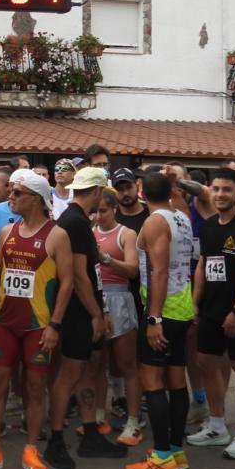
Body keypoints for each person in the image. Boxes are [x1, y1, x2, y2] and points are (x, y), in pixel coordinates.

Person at [0, 170, 73, 469]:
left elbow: (67, 283)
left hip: (38, 326)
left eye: (17, 193)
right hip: (5, 322)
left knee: (34, 386)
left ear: (36, 199)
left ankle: (31, 448)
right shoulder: (6, 232)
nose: (10, 197)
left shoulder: (57, 235)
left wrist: (55, 326)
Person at [125, 172, 197, 469]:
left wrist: (153, 319)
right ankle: (176, 450)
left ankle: (163, 455)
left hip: (163, 308)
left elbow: (160, 271)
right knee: (176, 378)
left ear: (140, 190)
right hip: (181, 306)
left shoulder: (155, 222)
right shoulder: (181, 215)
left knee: (152, 379)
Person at [52, 167, 126, 463]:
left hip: (85, 309)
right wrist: (96, 314)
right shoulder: (76, 223)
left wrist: (100, 310)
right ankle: (56, 440)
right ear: (96, 191)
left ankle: (91, 431)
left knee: (85, 372)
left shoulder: (76, 220)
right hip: (76, 312)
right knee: (69, 375)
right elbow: (79, 276)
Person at [189, 167, 235, 459]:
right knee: (206, 363)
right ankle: (217, 425)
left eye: (226, 190)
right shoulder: (208, 226)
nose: (220, 194)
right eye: (216, 189)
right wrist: (195, 302)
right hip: (210, 310)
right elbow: (203, 266)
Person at [92, 190, 144, 446]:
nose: (99, 216)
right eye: (96, 211)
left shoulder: (127, 233)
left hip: (120, 297)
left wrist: (107, 259)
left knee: (127, 364)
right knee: (97, 363)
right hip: (97, 299)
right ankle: (99, 415)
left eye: (103, 210)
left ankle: (134, 421)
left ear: (113, 209)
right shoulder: (90, 233)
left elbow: (133, 270)